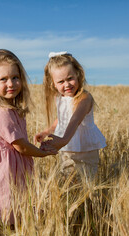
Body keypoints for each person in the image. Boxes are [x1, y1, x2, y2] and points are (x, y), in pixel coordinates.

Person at [0, 49, 57, 226]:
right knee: (2, 207)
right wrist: (42, 153)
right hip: (1, 170)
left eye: (15, 77)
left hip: (12, 166)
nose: (11, 83)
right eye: (3, 79)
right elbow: (22, 147)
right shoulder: (1, 114)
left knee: (13, 207)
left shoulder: (11, 109)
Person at [35, 51, 106, 181]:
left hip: (85, 148)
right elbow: (62, 118)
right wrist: (48, 131)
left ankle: (90, 201)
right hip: (66, 148)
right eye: (61, 81)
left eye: (70, 78)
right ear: (53, 84)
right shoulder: (59, 98)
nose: (67, 84)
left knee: (87, 181)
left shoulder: (85, 98)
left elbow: (75, 120)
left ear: (78, 75)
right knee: (68, 181)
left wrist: (63, 140)